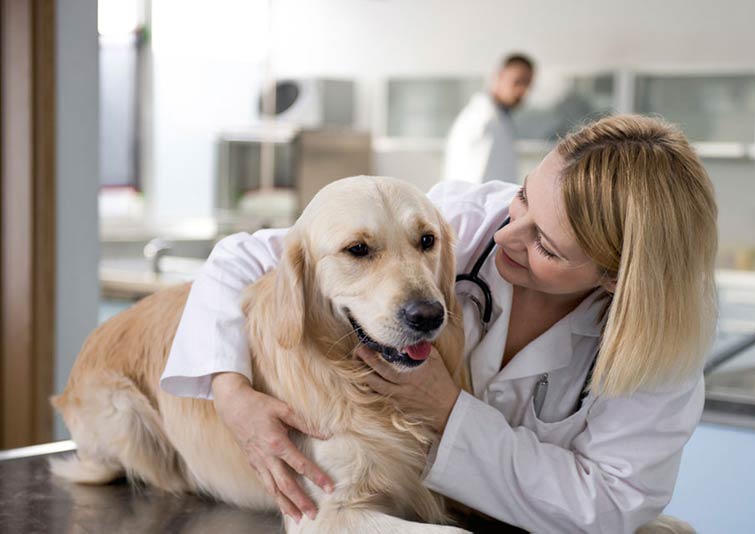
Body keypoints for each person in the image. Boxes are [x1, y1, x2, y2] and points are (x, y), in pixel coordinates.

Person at [161, 114, 718, 533]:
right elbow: (243, 258)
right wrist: (228, 390)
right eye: (523, 199)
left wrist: (447, 409)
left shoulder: (660, 352)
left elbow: (612, 505)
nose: (505, 236)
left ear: (617, 277)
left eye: (544, 244)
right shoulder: (463, 219)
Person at [442, 53, 534, 184]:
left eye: (528, 84)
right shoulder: (484, 120)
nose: (522, 91)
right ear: (499, 76)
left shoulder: (499, 119)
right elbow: (475, 181)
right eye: (517, 81)